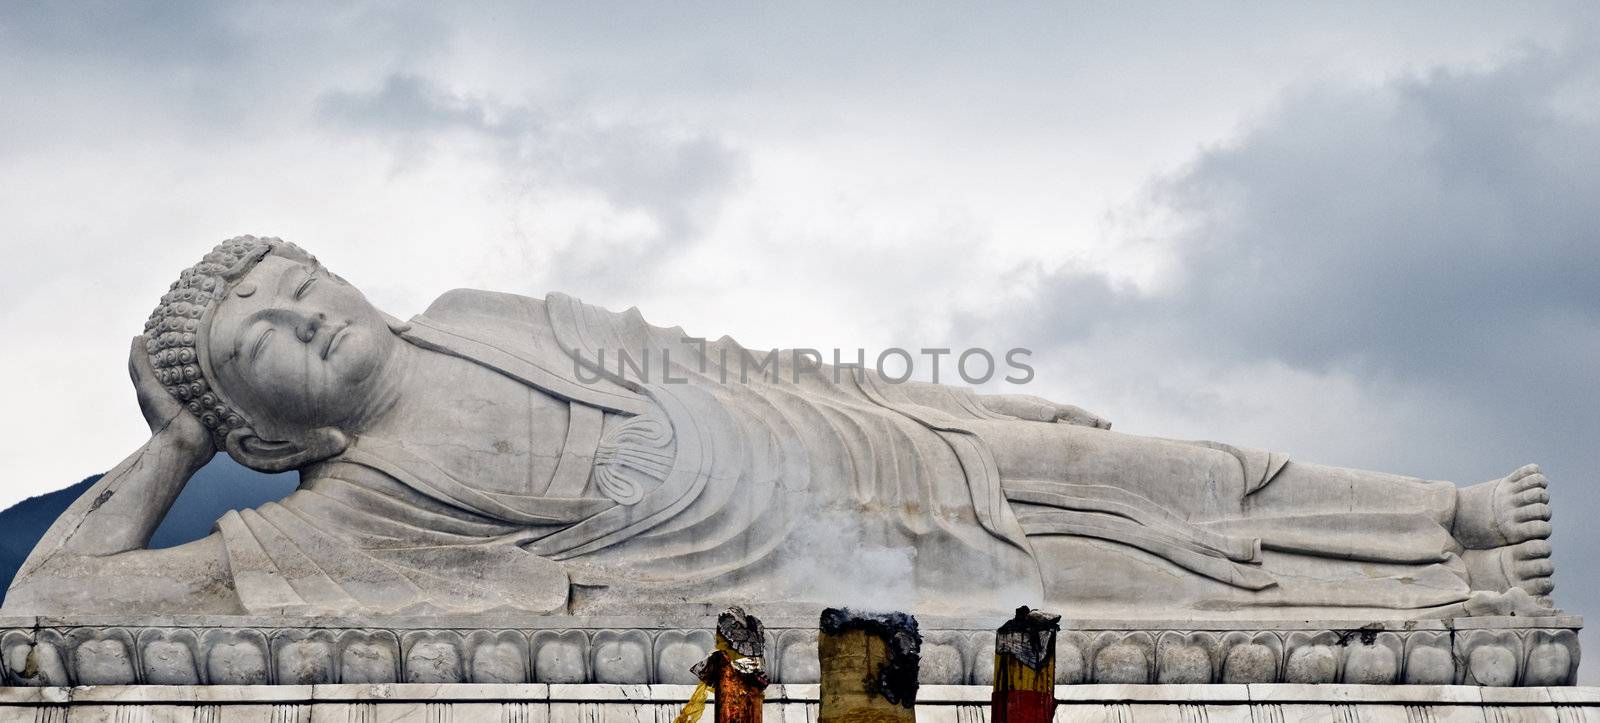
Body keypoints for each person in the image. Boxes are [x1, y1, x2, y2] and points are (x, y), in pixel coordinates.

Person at [4, 237, 1555, 618]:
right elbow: (52, 609)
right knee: (1135, 588)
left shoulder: (476, 314)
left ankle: (1450, 521)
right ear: (254, 424)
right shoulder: (345, 521)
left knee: (1160, 469)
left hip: (858, 446)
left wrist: (944, 395)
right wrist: (170, 451)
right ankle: (1439, 601)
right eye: (256, 339)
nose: (298, 308)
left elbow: (725, 354)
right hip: (818, 574)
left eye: (293, 273)